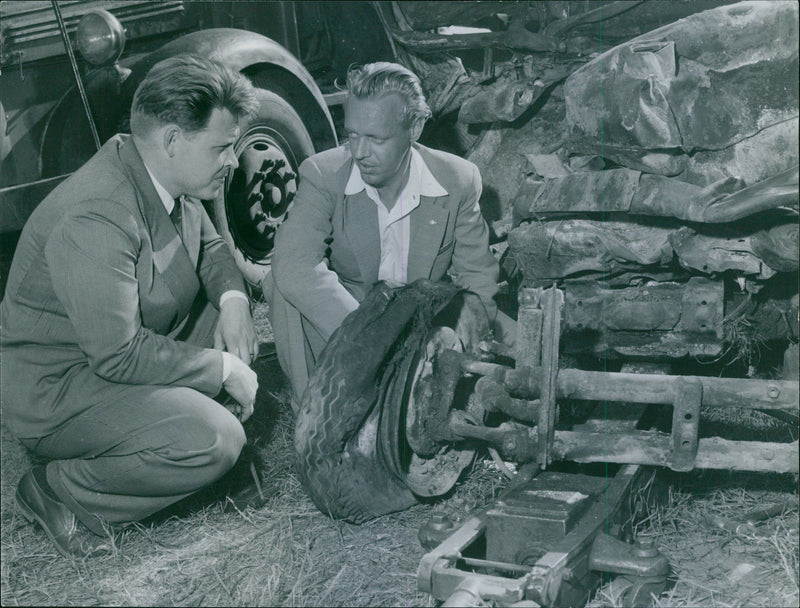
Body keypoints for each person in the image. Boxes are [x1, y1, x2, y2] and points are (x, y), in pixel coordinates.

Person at [1, 55, 261, 557]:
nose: (233, 160)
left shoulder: (157, 171)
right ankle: (61, 491)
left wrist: (233, 302)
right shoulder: (99, 211)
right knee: (213, 439)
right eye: (223, 147)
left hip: (111, 356)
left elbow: (207, 248)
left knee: (218, 321)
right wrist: (223, 366)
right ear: (170, 140)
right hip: (60, 391)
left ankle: (192, 458)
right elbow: (118, 354)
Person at [264, 61, 508, 410]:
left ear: (415, 128)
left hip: (420, 322)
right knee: (280, 284)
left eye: (376, 138)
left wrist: (461, 343)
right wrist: (375, 338)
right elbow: (293, 262)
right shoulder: (323, 174)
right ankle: (314, 412)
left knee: (518, 345)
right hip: (344, 320)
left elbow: (478, 279)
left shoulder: (459, 179)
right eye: (352, 135)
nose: (360, 153)